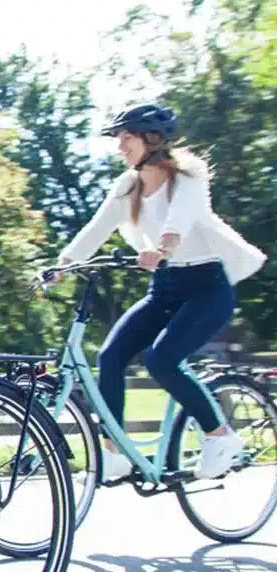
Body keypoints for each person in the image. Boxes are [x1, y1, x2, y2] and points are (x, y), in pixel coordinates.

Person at [54, 103, 266, 481]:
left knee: (162, 360)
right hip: (165, 287)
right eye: (118, 139)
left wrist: (162, 249)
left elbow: (179, 218)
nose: (120, 146)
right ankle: (114, 451)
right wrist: (61, 265)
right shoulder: (128, 186)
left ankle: (220, 436)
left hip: (206, 287)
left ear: (153, 139)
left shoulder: (189, 175)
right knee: (111, 356)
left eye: (127, 137)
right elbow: (96, 228)